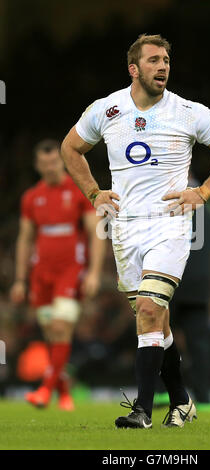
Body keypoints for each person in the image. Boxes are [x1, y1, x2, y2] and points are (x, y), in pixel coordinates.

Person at [61, 34, 210, 428]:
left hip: (169, 226)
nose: (162, 66)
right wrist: (94, 193)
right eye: (153, 60)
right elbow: (70, 148)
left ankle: (142, 410)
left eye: (166, 60)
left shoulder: (188, 112)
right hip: (124, 230)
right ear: (134, 68)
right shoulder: (106, 109)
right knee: (157, 324)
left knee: (148, 311)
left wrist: (203, 192)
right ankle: (182, 401)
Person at [10, 139, 105, 410]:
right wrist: (20, 279)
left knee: (61, 328)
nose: (50, 167)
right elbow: (25, 239)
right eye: (45, 163)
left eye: (54, 162)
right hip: (41, 274)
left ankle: (45, 390)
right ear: (38, 165)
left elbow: (95, 233)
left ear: (61, 162)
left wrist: (94, 273)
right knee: (52, 334)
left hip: (70, 271)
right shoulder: (31, 197)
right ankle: (64, 392)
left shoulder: (77, 191)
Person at [154, 173, 210, 411]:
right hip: (199, 283)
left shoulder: (166, 198)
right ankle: (205, 398)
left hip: (170, 277)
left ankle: (161, 393)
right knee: (199, 344)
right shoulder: (208, 206)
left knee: (157, 337)